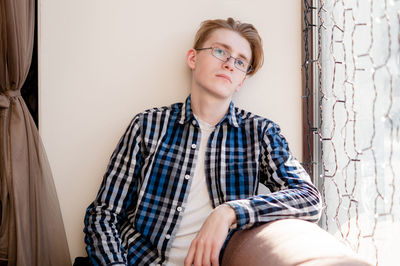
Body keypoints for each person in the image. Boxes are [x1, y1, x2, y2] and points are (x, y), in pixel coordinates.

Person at [83, 17, 322, 266]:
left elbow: (308, 198)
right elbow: (103, 214)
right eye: (220, 51)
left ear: (241, 81)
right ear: (193, 59)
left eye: (240, 61)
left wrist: (228, 212)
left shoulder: (260, 133)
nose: (230, 64)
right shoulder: (148, 125)